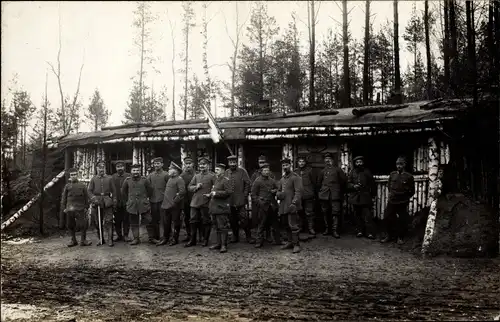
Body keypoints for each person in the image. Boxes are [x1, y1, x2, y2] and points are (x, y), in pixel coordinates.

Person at [381, 156, 415, 245]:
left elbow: (412, 191)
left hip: (402, 202)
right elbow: (389, 186)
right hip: (392, 201)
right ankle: (389, 235)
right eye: (397, 164)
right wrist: (392, 194)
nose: (398, 166)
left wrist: (405, 197)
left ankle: (400, 237)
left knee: (402, 220)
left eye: (401, 164)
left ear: (404, 165)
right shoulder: (392, 174)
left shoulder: (409, 176)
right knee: (387, 217)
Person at [186, 157, 216, 247]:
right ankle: (192, 240)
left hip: (206, 202)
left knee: (206, 221)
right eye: (201, 164)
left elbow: (216, 187)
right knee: (193, 221)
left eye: (204, 164)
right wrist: (196, 187)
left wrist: (211, 194)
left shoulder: (212, 176)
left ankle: (205, 240)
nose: (202, 166)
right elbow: (189, 187)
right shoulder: (197, 176)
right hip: (195, 202)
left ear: (208, 165)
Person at [122, 164, 154, 245]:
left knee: (148, 220)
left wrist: (145, 198)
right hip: (132, 205)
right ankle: (136, 239)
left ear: (140, 171)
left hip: (143, 204)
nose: (136, 172)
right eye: (134, 170)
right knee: (133, 222)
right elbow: (124, 192)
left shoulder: (144, 180)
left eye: (137, 170)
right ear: (131, 171)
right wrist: (129, 200)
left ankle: (151, 238)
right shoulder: (127, 180)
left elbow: (150, 190)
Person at [251, 163, 282, 248]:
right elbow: (253, 194)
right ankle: (258, 241)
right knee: (261, 224)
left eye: (268, 170)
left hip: (272, 205)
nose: (266, 172)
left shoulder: (272, 180)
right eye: (265, 170)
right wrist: (259, 202)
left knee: (275, 224)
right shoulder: (257, 181)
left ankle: (278, 241)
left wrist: (274, 191)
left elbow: (278, 188)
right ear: (261, 171)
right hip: (263, 205)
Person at [87, 160, 117, 246]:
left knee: (109, 220)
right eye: (99, 168)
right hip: (97, 201)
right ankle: (101, 239)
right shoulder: (93, 179)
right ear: (96, 169)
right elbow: (89, 191)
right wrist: (93, 198)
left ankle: (110, 239)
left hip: (107, 201)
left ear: (105, 168)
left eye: (103, 167)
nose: (101, 169)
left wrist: (114, 201)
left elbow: (114, 191)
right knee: (97, 222)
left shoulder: (110, 178)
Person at [276, 158, 303, 253]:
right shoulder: (282, 179)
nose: (285, 167)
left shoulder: (295, 177)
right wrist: (278, 194)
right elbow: (278, 190)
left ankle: (296, 245)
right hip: (284, 206)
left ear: (290, 166)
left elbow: (298, 192)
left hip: (292, 205)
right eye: (283, 165)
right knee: (286, 225)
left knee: (293, 225)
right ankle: (290, 242)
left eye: (286, 165)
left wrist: (294, 203)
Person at [318, 152, 347, 238]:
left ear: (333, 160)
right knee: (325, 212)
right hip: (324, 195)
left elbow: (344, 181)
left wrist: (339, 191)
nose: (328, 161)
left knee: (335, 212)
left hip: (335, 195)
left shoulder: (338, 170)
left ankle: (335, 230)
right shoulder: (322, 171)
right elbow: (318, 183)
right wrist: (321, 192)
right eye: (326, 160)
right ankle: (327, 229)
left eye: (329, 159)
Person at [60, 167, 92, 247]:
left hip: (80, 208)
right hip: (70, 208)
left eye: (75, 174)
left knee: (83, 224)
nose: (73, 176)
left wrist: (86, 207)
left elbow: (86, 197)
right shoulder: (67, 186)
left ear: (77, 175)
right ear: (70, 176)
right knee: (70, 225)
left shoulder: (83, 185)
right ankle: (73, 240)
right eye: (72, 175)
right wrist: (64, 208)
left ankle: (83, 240)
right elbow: (64, 198)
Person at [225, 155, 253, 244]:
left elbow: (248, 183)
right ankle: (235, 236)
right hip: (230, 200)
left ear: (237, 163)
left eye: (234, 162)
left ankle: (248, 236)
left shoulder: (242, 171)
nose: (232, 164)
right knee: (232, 219)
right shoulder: (226, 172)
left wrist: (244, 196)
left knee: (244, 219)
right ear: (228, 163)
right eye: (231, 162)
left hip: (240, 199)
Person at [347, 156, 376, 239]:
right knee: (357, 215)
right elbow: (348, 183)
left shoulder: (367, 172)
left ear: (363, 163)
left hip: (365, 197)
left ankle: (369, 232)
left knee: (367, 215)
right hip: (356, 197)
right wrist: (353, 186)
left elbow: (372, 184)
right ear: (355, 164)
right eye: (357, 162)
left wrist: (373, 196)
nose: (359, 163)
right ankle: (359, 231)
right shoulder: (352, 172)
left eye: (360, 162)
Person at [158, 162, 186, 246]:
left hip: (174, 206)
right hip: (166, 205)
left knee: (175, 222)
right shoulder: (170, 179)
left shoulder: (179, 179)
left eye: (170, 169)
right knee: (166, 222)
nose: (168, 170)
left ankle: (174, 239)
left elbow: (182, 192)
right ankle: (165, 238)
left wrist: (175, 201)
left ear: (176, 171)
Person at [208, 163, 233, 253]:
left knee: (223, 226)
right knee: (216, 226)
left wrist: (216, 193)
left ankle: (223, 245)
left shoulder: (226, 180)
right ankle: (218, 244)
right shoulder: (217, 180)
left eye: (217, 170)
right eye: (215, 169)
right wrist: (211, 194)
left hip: (222, 207)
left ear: (222, 171)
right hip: (215, 207)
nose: (216, 171)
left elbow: (229, 192)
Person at [250, 155, 275, 243]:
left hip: (269, 201)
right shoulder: (255, 175)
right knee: (259, 220)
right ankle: (259, 238)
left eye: (263, 162)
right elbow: (253, 190)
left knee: (268, 219)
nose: (262, 164)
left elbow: (275, 186)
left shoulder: (270, 175)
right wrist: (257, 201)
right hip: (259, 202)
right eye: (260, 162)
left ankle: (268, 236)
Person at [147, 157, 169, 243]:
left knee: (164, 220)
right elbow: (147, 186)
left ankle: (164, 236)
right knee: (154, 219)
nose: (156, 165)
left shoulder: (166, 174)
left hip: (163, 200)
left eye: (158, 163)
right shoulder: (151, 175)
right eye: (155, 163)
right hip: (153, 201)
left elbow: (169, 187)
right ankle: (156, 237)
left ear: (162, 164)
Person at [296, 155, 317, 238]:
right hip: (299, 195)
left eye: (303, 162)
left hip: (308, 194)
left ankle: (311, 228)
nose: (301, 163)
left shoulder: (310, 171)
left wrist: (313, 192)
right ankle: (300, 227)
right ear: (297, 163)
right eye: (300, 162)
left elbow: (314, 183)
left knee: (309, 213)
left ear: (305, 163)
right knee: (299, 212)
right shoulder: (295, 171)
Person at [111, 160, 131, 242]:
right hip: (116, 201)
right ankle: (119, 235)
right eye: (118, 167)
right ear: (116, 168)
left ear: (124, 167)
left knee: (126, 219)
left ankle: (126, 235)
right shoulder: (113, 177)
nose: (120, 168)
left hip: (126, 201)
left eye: (121, 166)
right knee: (117, 219)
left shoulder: (128, 176)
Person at [180, 156, 196, 242]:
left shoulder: (196, 174)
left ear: (193, 164)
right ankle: (189, 235)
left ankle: (198, 236)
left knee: (197, 218)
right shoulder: (182, 176)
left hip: (196, 199)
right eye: (186, 164)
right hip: (186, 200)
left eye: (190, 163)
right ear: (184, 164)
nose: (188, 165)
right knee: (187, 218)